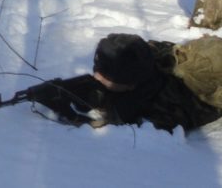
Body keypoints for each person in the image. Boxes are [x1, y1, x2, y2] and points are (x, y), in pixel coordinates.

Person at [86, 33, 222, 133]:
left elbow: (157, 130)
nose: (97, 78)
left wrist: (111, 114)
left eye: (105, 78)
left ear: (130, 85)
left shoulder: (171, 102)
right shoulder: (142, 56)